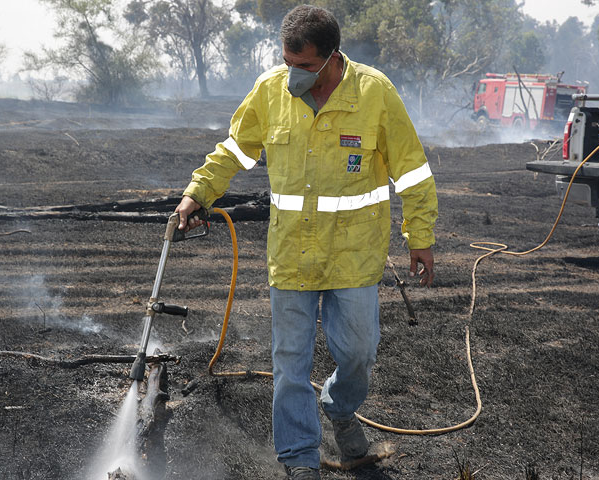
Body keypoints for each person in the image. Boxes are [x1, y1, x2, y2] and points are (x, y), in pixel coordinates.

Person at [175, 5, 437, 479]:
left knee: (359, 353)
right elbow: (233, 151)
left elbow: (414, 172)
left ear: (332, 57)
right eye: (287, 62)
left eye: (304, 66)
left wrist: (420, 236)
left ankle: (339, 407)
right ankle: (300, 458)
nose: (293, 74)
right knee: (290, 364)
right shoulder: (271, 91)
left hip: (354, 256)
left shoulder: (374, 93)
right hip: (292, 255)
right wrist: (198, 192)